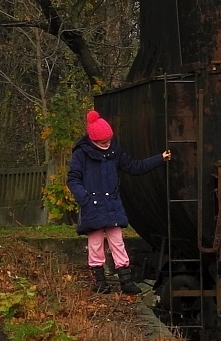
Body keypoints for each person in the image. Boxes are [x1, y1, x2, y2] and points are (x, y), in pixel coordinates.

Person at [67, 110, 170, 294]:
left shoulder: (114, 151)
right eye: (103, 142)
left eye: (108, 141)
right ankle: (100, 282)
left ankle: (126, 282)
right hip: (93, 206)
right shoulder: (81, 154)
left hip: (112, 205)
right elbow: (73, 179)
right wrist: (85, 199)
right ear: (93, 140)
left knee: (118, 242)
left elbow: (135, 167)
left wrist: (160, 159)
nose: (107, 144)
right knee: (95, 244)